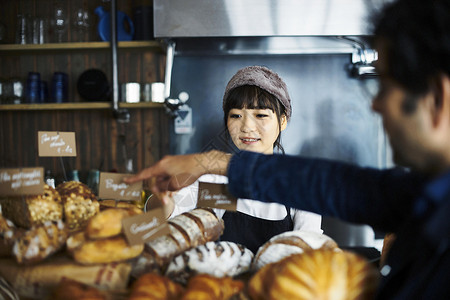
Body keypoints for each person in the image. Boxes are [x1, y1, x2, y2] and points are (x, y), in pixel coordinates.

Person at [125, 0, 450, 298]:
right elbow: (147, 234)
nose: (375, 105)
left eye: (385, 84)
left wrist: (209, 160)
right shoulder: (420, 198)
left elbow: (320, 203)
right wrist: (165, 200)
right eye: (236, 115)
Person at [161, 66, 322, 254]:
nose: (246, 127)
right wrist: (164, 196)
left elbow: (310, 249)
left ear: (283, 121)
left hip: (281, 281)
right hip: (222, 282)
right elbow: (163, 223)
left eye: (260, 115)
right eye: (236, 116)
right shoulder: (215, 176)